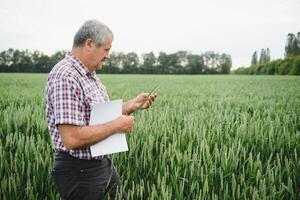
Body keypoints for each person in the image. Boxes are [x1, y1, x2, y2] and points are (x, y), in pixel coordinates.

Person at [45, 19, 157, 200]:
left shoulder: (89, 75)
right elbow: (72, 138)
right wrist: (117, 126)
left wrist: (131, 105)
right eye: (106, 49)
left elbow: (95, 114)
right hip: (79, 172)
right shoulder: (65, 76)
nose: (108, 56)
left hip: (101, 164)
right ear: (89, 43)